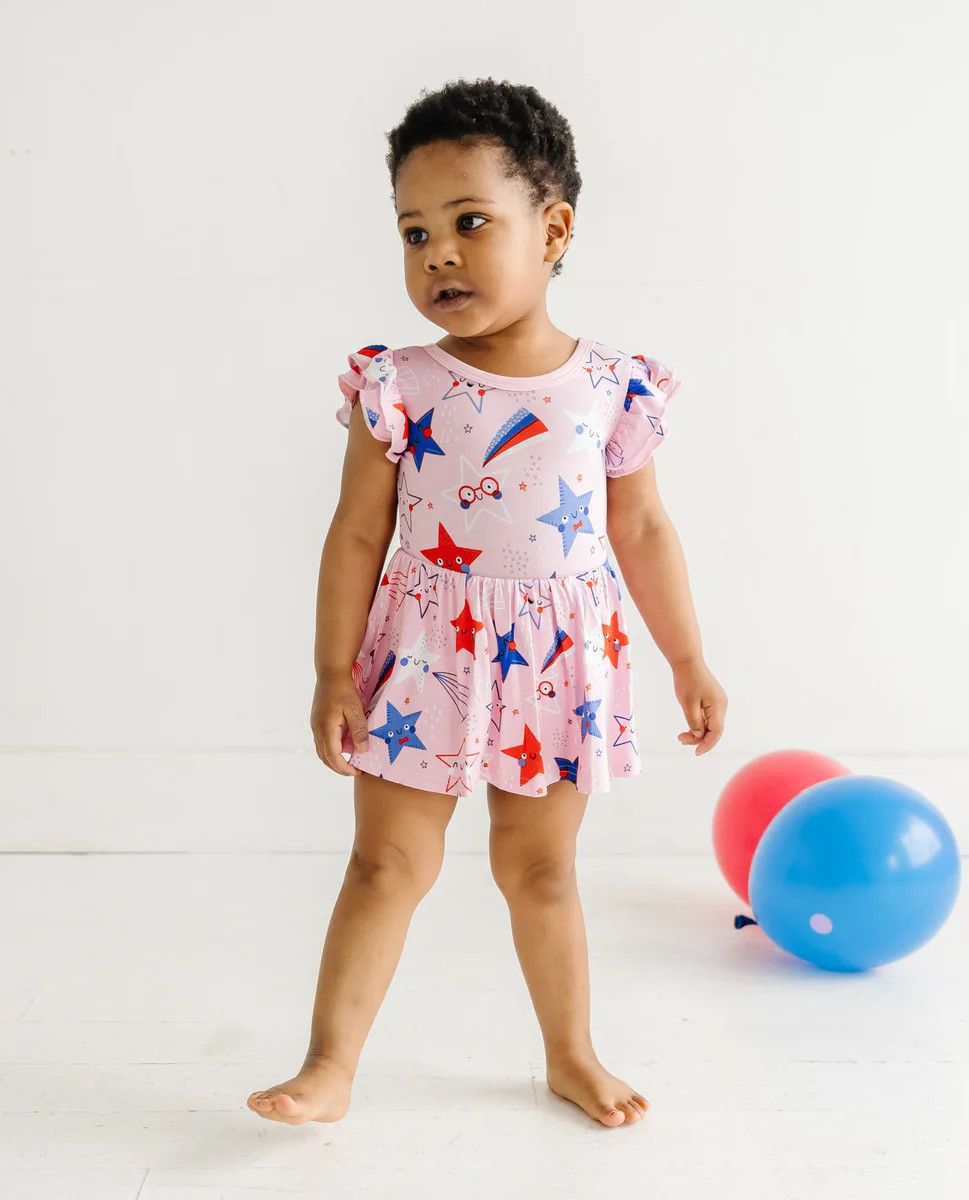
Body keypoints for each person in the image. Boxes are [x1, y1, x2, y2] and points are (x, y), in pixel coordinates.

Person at [247, 77, 727, 1129]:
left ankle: (571, 1054)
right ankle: (329, 1065)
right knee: (385, 863)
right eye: (414, 232)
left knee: (542, 868)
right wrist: (333, 670)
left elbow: (643, 528)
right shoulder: (398, 385)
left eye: (470, 222)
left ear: (552, 230)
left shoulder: (611, 386)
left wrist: (688, 658)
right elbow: (358, 532)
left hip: (558, 664)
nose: (438, 255)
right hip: (425, 657)